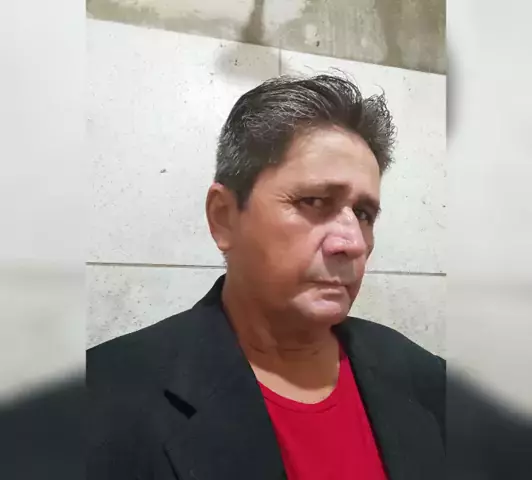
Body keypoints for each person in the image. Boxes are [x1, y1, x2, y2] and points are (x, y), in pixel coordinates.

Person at [88, 74, 445, 480]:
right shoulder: (100, 403)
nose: (352, 243)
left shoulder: (426, 379)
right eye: (314, 201)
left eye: (363, 214)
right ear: (224, 217)